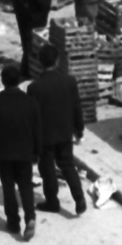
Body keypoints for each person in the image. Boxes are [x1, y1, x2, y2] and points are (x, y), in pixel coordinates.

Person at [0, 63, 45, 240]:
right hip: (25, 153)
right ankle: (30, 217)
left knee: (8, 187)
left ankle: (13, 221)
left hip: (3, 155)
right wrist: (37, 152)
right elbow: (37, 130)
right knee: (26, 186)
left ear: (3, 81)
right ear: (19, 81)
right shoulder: (31, 103)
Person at [28, 44, 88, 216]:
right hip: (64, 132)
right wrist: (79, 130)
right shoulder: (69, 81)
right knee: (67, 165)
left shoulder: (34, 88)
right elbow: (77, 107)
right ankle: (79, 198)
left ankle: (52, 202)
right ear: (57, 60)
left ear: (40, 62)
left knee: (47, 170)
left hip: (45, 136)